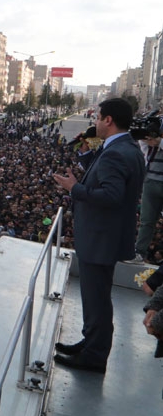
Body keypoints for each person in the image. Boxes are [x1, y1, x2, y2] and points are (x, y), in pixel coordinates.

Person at [53, 97, 145, 373]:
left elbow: (111, 195)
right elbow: (107, 179)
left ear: (108, 120)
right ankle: (90, 342)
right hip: (109, 236)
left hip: (101, 238)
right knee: (98, 297)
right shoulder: (127, 148)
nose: (94, 122)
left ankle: (94, 355)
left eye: (97, 117)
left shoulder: (116, 153)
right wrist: (84, 161)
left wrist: (74, 188)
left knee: (96, 299)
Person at [130, 118, 163, 263]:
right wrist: (146, 137)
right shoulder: (156, 120)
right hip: (150, 181)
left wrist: (159, 142)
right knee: (146, 221)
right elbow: (143, 147)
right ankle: (139, 252)